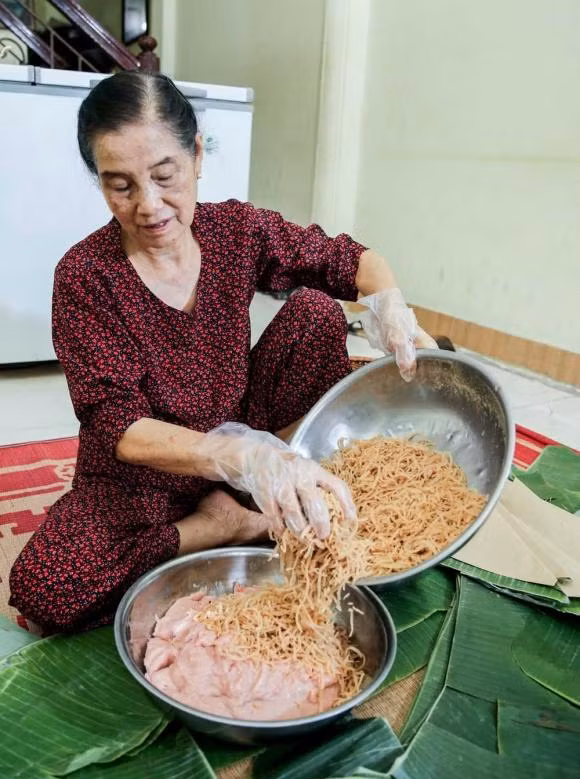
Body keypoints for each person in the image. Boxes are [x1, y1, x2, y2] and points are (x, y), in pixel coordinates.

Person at [9, 71, 437, 634]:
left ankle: (276, 488)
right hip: (147, 476)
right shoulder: (86, 275)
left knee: (316, 311)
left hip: (244, 435)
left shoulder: (234, 230)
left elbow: (348, 260)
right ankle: (222, 525)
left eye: (166, 176)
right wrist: (240, 460)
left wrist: (391, 307)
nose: (150, 205)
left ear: (196, 155)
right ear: (100, 181)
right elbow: (120, 428)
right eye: (121, 185)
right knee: (47, 587)